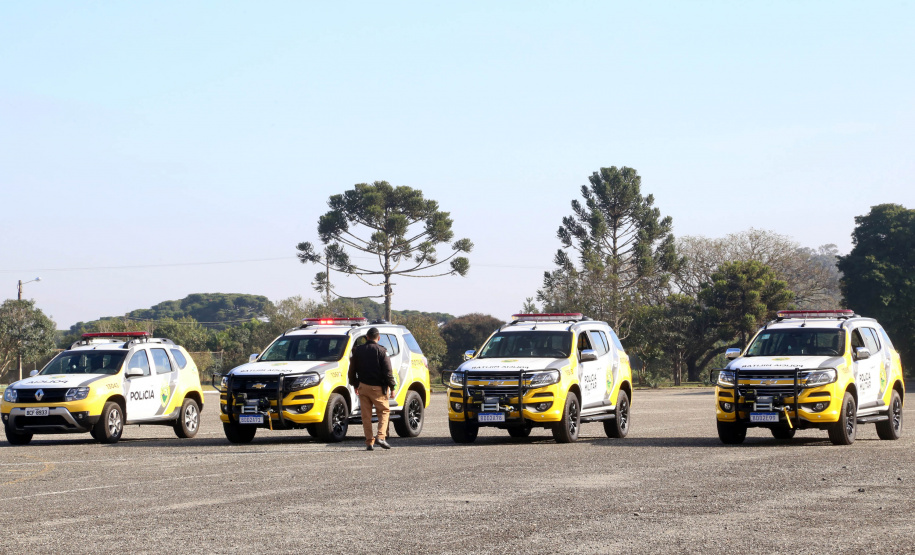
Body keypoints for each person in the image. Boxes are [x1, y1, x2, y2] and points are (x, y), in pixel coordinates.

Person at [348, 327, 396, 451]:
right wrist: (392, 386)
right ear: (378, 338)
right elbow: (388, 371)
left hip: (363, 387)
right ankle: (381, 436)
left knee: (366, 416)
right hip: (378, 388)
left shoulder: (357, 351)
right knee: (384, 412)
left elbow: (351, 370)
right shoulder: (381, 351)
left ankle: (369, 442)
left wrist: (355, 384)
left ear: (367, 337)